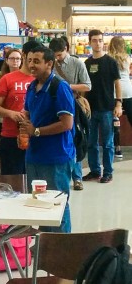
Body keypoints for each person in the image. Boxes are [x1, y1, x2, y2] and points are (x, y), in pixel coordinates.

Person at [20, 46, 75, 233]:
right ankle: (45, 247)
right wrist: (23, 123)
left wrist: (36, 131)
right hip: (34, 156)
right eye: (29, 60)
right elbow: (27, 112)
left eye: (37, 61)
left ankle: (62, 250)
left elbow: (67, 123)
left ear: (49, 63)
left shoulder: (60, 87)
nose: (31, 65)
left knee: (58, 205)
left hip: (56, 158)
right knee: (39, 205)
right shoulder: (31, 87)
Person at [49, 37, 91, 191]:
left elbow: (87, 85)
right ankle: (61, 175)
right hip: (54, 106)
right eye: (54, 55)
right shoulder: (50, 63)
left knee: (75, 139)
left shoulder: (77, 63)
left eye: (59, 55)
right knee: (60, 139)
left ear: (66, 49)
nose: (57, 58)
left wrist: (65, 86)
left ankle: (77, 177)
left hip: (73, 105)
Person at [0, 43, 40, 175]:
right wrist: (11, 113)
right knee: (12, 180)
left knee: (36, 180)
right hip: (11, 136)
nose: (34, 63)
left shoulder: (41, 80)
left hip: (37, 136)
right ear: (25, 56)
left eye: (38, 60)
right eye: (32, 59)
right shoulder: (7, 79)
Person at [83, 30, 122, 184]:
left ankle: (108, 172)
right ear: (90, 42)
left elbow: (117, 83)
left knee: (107, 143)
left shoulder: (111, 62)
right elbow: (84, 86)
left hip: (107, 108)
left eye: (100, 40)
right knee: (91, 143)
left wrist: (118, 103)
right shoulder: (86, 64)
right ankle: (94, 171)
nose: (97, 43)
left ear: (103, 42)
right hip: (90, 110)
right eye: (94, 40)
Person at [0, 47, 25, 141]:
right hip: (5, 121)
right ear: (7, 60)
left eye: (18, 58)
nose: (15, 61)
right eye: (12, 58)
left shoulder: (29, 77)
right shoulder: (3, 78)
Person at [108, 36, 132, 159]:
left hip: (114, 93)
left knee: (115, 121)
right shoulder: (127, 58)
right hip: (128, 91)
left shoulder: (109, 59)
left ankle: (118, 149)